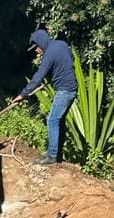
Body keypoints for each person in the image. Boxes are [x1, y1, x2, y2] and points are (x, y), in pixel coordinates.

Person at [13, 28, 77, 166]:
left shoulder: (49, 53)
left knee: (52, 120)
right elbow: (72, 58)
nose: (36, 51)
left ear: (41, 42)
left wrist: (22, 94)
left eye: (36, 47)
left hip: (64, 90)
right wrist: (57, 72)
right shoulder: (61, 44)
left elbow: (37, 78)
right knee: (60, 121)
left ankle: (52, 156)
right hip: (72, 89)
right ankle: (58, 154)